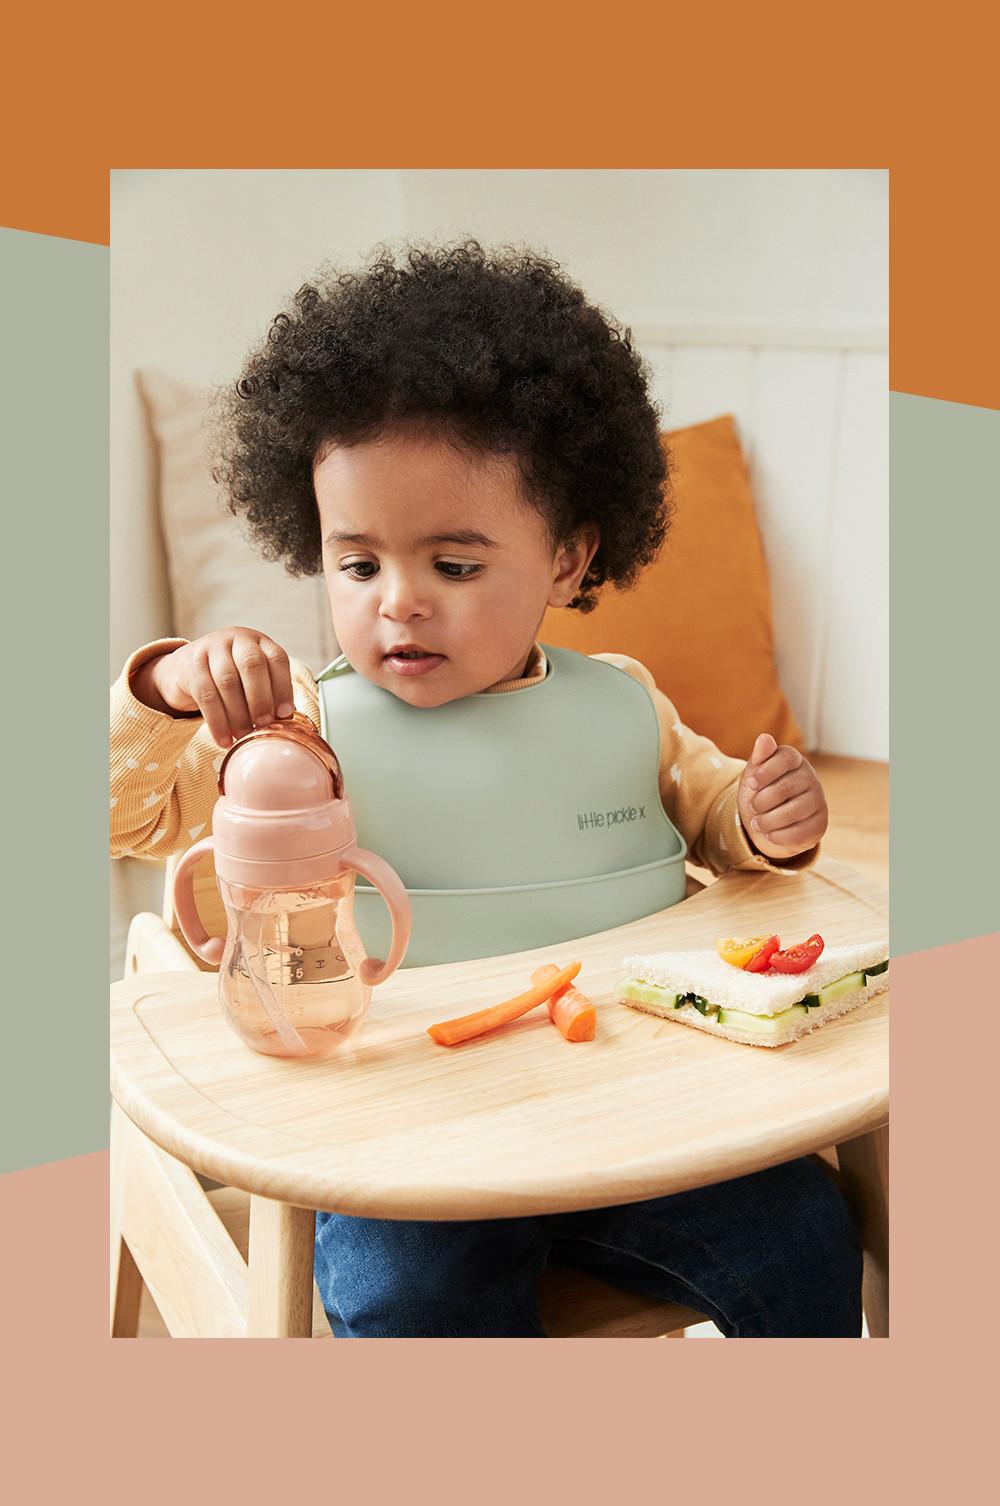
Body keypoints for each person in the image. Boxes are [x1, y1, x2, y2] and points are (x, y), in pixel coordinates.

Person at [111, 241, 860, 1337]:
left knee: (801, 1234)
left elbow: (707, 811)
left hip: (634, 1112)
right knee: (405, 1298)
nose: (398, 604)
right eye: (358, 565)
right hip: (404, 1140)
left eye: (453, 566)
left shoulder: (623, 704)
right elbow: (126, 813)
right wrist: (171, 684)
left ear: (567, 558)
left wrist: (762, 822)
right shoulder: (296, 733)